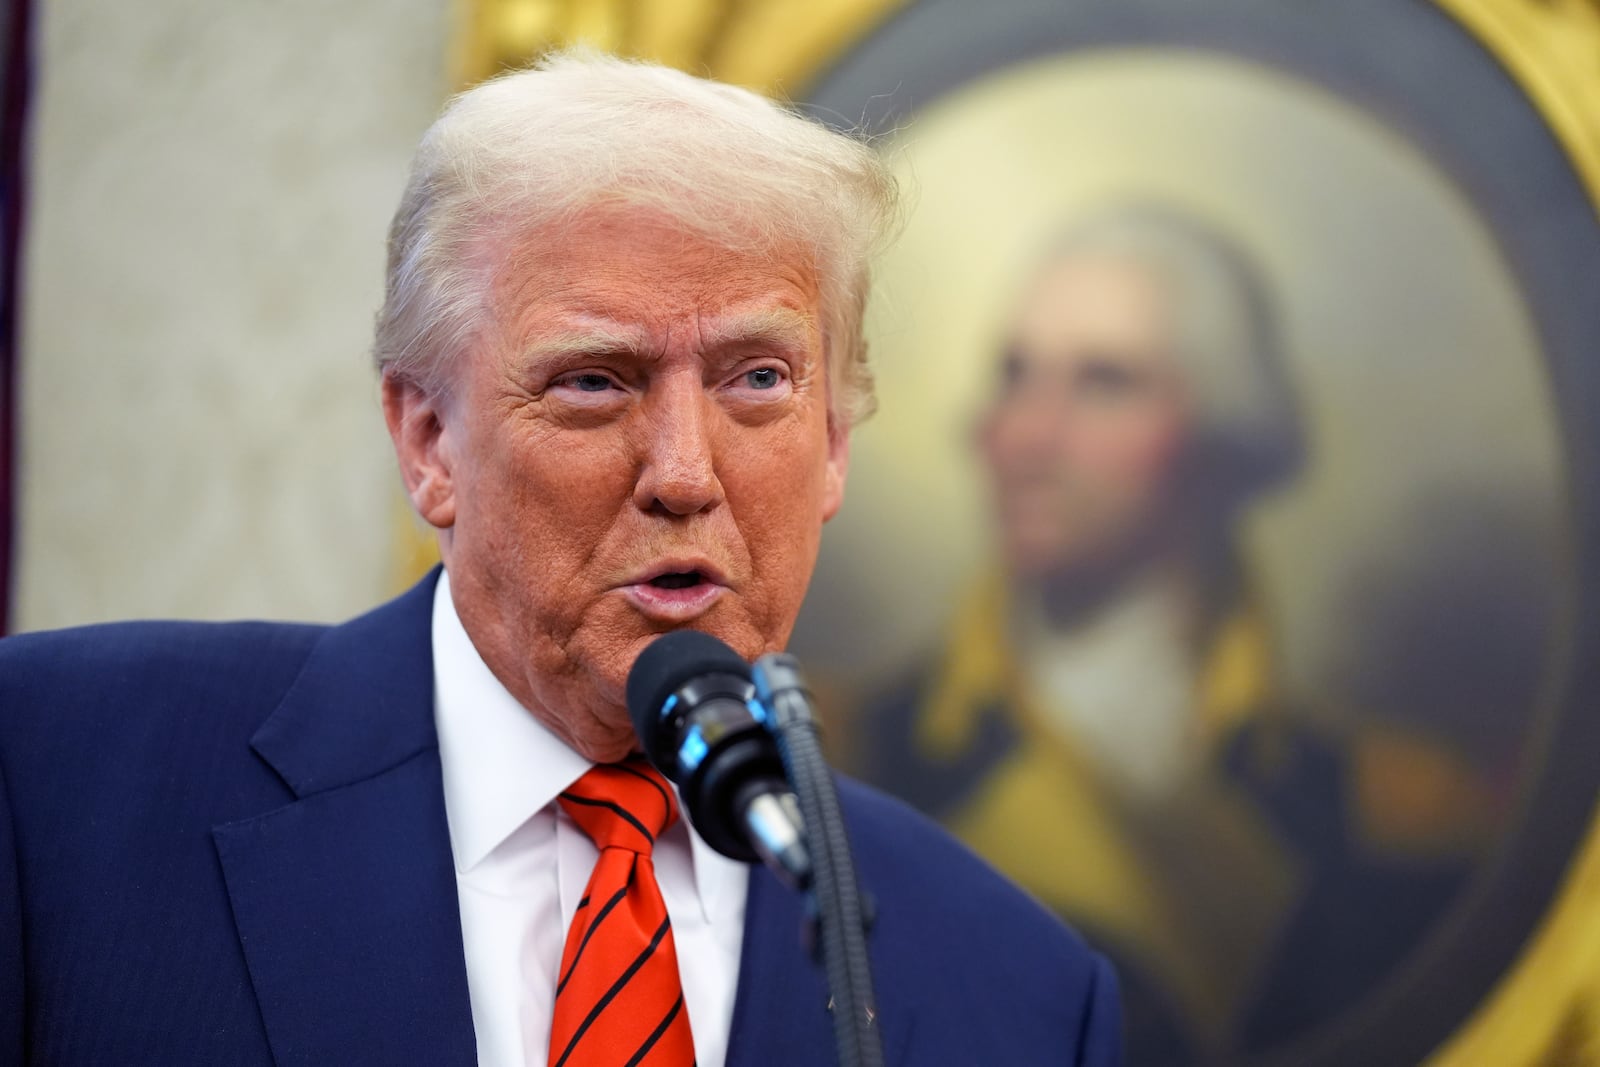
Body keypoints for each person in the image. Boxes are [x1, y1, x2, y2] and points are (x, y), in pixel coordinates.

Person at [0, 51, 1119, 1066]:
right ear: (429, 438)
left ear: (833, 445)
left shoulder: (1012, 989)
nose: (684, 471)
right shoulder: (58, 780)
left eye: (758, 379)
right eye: (594, 379)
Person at [852, 206, 1488, 1064]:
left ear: (1222, 431)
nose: (1026, 435)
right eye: (1014, 375)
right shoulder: (847, 751)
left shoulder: (1394, 807)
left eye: (1104, 381)